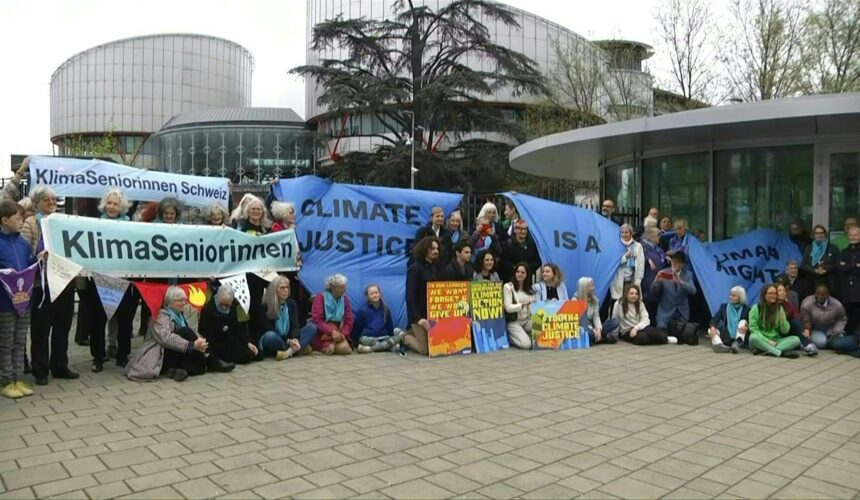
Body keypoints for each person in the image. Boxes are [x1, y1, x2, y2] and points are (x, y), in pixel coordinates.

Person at [21, 186, 79, 386]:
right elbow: (23, 253)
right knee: (41, 328)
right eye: (47, 200)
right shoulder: (30, 224)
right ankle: (40, 369)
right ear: (36, 203)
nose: (52, 203)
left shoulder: (62, 222)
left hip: (64, 281)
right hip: (41, 284)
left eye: (54, 200)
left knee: (63, 325)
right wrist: (36, 257)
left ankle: (60, 365)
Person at [126, 287, 235, 382]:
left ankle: (173, 370)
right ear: (170, 302)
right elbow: (166, 339)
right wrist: (192, 344)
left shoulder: (179, 316)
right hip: (160, 354)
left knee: (199, 368)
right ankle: (213, 361)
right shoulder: (160, 316)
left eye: (185, 300)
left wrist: (199, 340)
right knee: (186, 331)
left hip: (176, 351)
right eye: (181, 300)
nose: (184, 303)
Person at [93, 188, 139, 369]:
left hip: (124, 278)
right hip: (101, 278)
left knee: (125, 321)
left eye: (115, 204)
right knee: (98, 320)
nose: (112, 207)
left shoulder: (130, 225)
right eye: (109, 203)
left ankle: (123, 355)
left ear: (122, 207)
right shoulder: (95, 224)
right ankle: (98, 357)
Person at [0, 201, 38, 399]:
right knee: (6, 341)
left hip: (24, 301)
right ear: (5, 220)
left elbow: (30, 262)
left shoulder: (22, 243)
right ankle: (5, 380)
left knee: (20, 340)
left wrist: (39, 259)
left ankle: (17, 377)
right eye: (18, 218)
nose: (21, 221)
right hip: (4, 303)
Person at [255, 276, 317, 360]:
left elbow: (295, 325)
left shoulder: (291, 303)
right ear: (274, 290)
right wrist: (288, 341)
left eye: (287, 287)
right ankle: (296, 348)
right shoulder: (265, 306)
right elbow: (268, 328)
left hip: (289, 338)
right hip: (276, 339)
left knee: (311, 328)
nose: (286, 290)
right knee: (270, 336)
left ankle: (288, 352)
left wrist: (294, 338)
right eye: (282, 288)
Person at [199, 285, 264, 364]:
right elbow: (203, 331)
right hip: (217, 343)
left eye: (227, 305)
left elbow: (241, 327)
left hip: (233, 339)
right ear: (217, 297)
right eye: (222, 304)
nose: (224, 307)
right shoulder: (208, 310)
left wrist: (247, 342)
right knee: (245, 356)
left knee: (258, 353)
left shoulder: (236, 305)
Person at [402, 237, 440, 355]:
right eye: (432, 248)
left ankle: (414, 334)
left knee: (437, 346)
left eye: (437, 248)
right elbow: (409, 296)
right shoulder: (415, 268)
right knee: (425, 350)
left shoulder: (435, 267)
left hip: (431, 315)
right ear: (425, 250)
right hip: (418, 317)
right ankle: (403, 336)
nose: (436, 251)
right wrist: (418, 318)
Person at [651, 252, 697, 344]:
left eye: (677, 262)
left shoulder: (688, 275)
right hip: (665, 312)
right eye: (673, 261)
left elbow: (693, 291)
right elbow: (652, 292)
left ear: (682, 264)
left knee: (683, 336)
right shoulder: (663, 272)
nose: (674, 264)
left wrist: (680, 282)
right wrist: (656, 281)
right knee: (661, 335)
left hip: (681, 313)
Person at [748, 284, 800, 358]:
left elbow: (784, 331)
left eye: (775, 293)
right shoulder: (756, 308)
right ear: (764, 295)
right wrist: (767, 341)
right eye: (771, 293)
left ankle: (767, 351)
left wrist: (782, 320)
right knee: (752, 337)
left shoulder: (779, 308)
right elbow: (753, 329)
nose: (774, 296)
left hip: (775, 341)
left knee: (796, 339)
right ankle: (780, 353)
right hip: (760, 340)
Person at [800, 284, 857, 353]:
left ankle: (838, 343)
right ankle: (834, 345)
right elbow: (806, 321)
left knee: (838, 337)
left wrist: (836, 330)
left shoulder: (836, 304)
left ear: (828, 295)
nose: (819, 296)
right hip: (815, 329)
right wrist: (807, 332)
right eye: (817, 294)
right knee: (821, 343)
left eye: (822, 294)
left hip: (831, 328)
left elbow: (842, 318)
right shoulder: (807, 303)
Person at [353, 284, 405, 353]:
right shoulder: (362, 311)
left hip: (384, 337)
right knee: (361, 339)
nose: (375, 295)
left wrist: (392, 338)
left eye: (376, 292)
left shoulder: (385, 309)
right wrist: (356, 342)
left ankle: (370, 349)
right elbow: (357, 330)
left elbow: (390, 327)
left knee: (400, 336)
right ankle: (387, 346)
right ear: (368, 297)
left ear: (380, 294)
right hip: (369, 339)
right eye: (372, 294)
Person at [310, 273, 354, 355]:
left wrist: (343, 334)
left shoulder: (345, 299)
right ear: (333, 288)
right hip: (322, 332)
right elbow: (317, 320)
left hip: (339, 332)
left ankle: (331, 346)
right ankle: (322, 346)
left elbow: (349, 320)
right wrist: (332, 332)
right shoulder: (320, 297)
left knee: (345, 350)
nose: (344, 290)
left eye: (345, 287)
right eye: (341, 287)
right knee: (331, 348)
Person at [609, 224, 644, 316]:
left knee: (631, 305)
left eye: (626, 232)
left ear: (631, 233)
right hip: (618, 281)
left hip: (631, 280)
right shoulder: (615, 246)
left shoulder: (637, 246)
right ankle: (615, 327)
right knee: (617, 304)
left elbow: (641, 265)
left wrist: (638, 281)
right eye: (622, 232)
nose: (624, 235)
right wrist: (625, 257)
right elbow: (612, 264)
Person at [574, 277, 617, 345]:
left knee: (614, 322)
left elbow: (596, 317)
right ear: (584, 288)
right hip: (582, 327)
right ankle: (600, 339)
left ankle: (597, 337)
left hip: (593, 327)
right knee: (588, 333)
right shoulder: (575, 301)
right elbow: (580, 321)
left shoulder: (594, 300)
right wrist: (592, 330)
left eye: (593, 285)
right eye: (591, 286)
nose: (593, 287)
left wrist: (598, 329)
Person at [708, 286, 751, 353]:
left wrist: (747, 327)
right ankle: (720, 345)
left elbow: (752, 324)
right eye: (730, 295)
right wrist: (713, 328)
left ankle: (736, 343)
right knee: (710, 329)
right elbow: (715, 319)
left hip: (740, 335)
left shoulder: (746, 309)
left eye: (734, 296)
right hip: (726, 336)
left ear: (740, 297)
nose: (730, 297)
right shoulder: (724, 307)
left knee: (743, 322)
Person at [504, 262, 536, 349]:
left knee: (543, 332)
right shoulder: (508, 287)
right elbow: (507, 307)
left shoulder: (531, 288)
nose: (519, 274)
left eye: (522, 272)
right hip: (514, 322)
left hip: (527, 321)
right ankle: (509, 338)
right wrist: (521, 305)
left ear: (527, 274)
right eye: (517, 272)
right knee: (527, 345)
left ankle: (525, 335)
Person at [641, 227, 668, 323]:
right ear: (650, 236)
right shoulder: (642, 247)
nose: (659, 238)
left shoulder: (659, 249)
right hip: (647, 282)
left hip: (659, 283)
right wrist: (647, 259)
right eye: (658, 235)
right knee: (647, 307)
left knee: (655, 308)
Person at [802, 225, 839, 290]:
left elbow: (838, 264)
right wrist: (814, 270)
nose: (819, 235)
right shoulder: (808, 248)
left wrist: (826, 269)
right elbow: (804, 265)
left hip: (829, 282)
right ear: (813, 235)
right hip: (811, 283)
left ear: (825, 234)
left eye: (821, 233)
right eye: (817, 233)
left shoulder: (833, 248)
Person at [838, 227, 860, 335]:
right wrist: (856, 265)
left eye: (856, 235)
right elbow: (841, 268)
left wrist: (847, 266)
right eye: (851, 235)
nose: (853, 237)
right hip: (847, 290)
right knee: (848, 314)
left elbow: (846, 268)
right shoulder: (844, 251)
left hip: (858, 288)